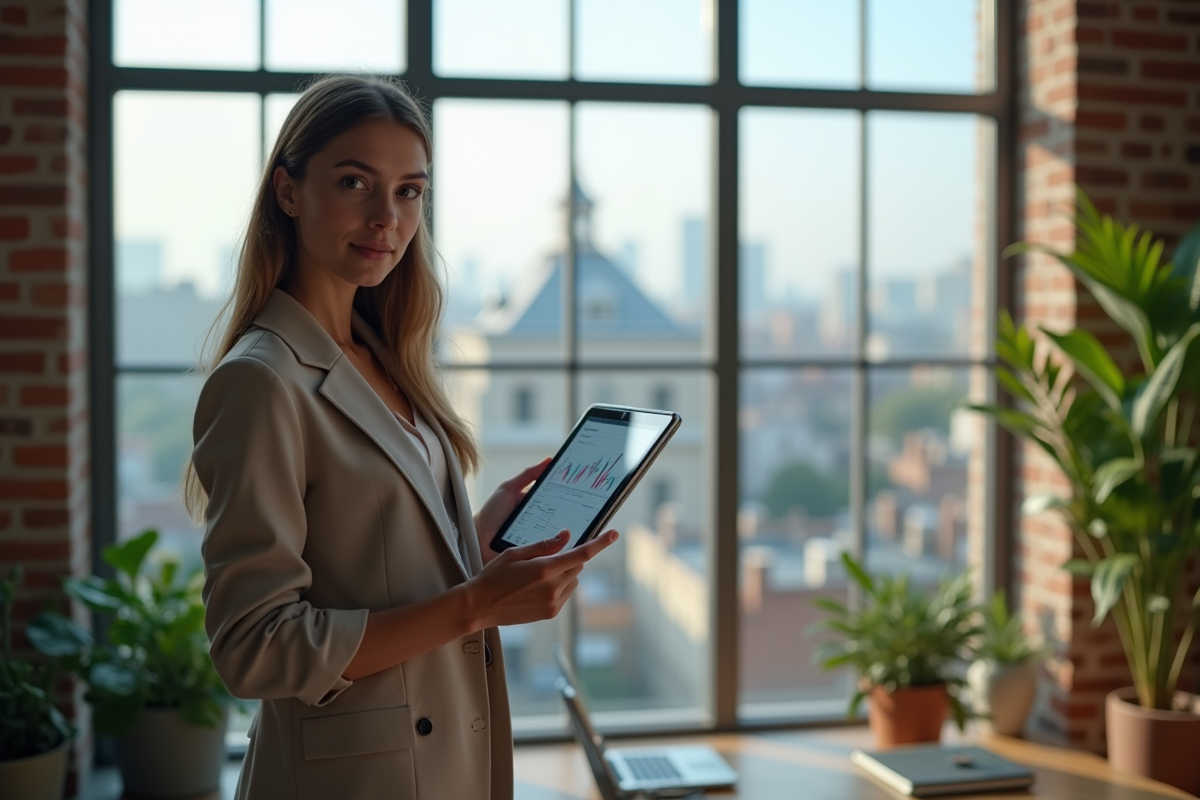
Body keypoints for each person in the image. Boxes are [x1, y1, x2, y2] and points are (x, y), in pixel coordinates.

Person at [184, 74, 618, 800]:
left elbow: (367, 564)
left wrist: (471, 544)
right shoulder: (262, 381)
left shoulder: (382, 354)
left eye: (410, 190)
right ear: (288, 192)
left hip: (442, 757)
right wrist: (474, 604)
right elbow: (253, 649)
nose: (387, 216)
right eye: (355, 182)